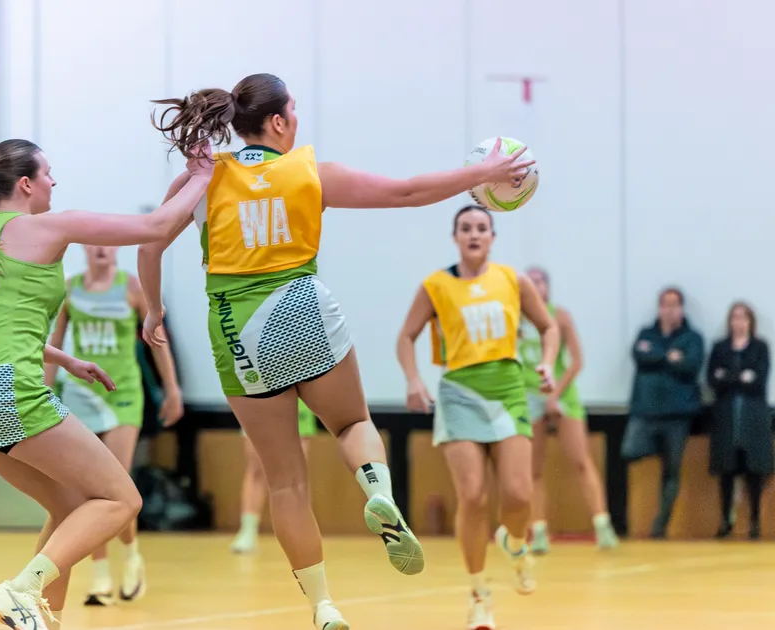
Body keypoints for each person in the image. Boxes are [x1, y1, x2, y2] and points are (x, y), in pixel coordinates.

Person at [136, 73, 533, 630]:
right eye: (293, 112)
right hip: (302, 311)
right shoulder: (308, 172)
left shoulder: (203, 178)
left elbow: (150, 246)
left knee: (285, 481)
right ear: (277, 122)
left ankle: (323, 605)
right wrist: (484, 173)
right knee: (351, 424)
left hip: (236, 331)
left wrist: (153, 310)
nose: (297, 121)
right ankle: (376, 487)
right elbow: (407, 191)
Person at [0, 138, 213, 629]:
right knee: (121, 499)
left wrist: (63, 358)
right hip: (6, 390)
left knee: (70, 509)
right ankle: (21, 590)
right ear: (26, 183)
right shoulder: (50, 227)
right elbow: (155, 226)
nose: (54, 182)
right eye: (48, 173)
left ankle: (46, 619)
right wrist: (203, 176)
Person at [396, 206, 558, 630]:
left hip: (507, 390)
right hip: (459, 394)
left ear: (492, 236)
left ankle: (515, 542)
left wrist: (548, 363)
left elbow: (549, 326)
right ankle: (478, 594)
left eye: (481, 228)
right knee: (472, 497)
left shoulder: (512, 280)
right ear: (455, 237)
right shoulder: (436, 285)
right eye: (465, 228)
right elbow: (406, 336)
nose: (473, 234)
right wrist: (413, 378)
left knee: (519, 496)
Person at [43, 244, 185, 606]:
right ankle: (101, 576)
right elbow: (54, 345)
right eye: (94, 244)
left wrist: (172, 389)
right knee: (92, 492)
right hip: (81, 394)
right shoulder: (70, 289)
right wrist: (42, 391)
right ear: (86, 250)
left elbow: (157, 340)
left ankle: (132, 554)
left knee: (114, 485)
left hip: (123, 394)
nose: (101, 249)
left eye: (108, 244)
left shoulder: (132, 286)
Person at [517, 266, 618, 553]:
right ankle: (538, 531)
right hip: (529, 395)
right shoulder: (514, 320)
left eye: (540, 282)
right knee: (533, 467)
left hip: (561, 393)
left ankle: (602, 524)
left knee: (580, 459)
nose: (536, 287)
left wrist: (555, 395)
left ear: (548, 288)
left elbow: (576, 361)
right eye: (530, 282)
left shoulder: (559, 316)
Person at [621, 287, 704, 538]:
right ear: (659, 308)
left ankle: (660, 526)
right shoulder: (646, 333)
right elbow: (639, 355)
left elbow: (690, 365)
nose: (669, 309)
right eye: (665, 304)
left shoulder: (692, 338)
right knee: (629, 452)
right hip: (645, 412)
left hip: (677, 416)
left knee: (672, 470)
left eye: (674, 304)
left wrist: (657, 356)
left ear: (681, 308)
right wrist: (670, 356)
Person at [706, 301, 772, 540]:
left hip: (753, 416)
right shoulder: (720, 348)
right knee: (727, 469)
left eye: (743, 317)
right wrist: (740, 376)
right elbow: (714, 380)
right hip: (726, 415)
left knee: (753, 469)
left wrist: (729, 376)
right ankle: (726, 520)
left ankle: (754, 521)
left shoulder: (760, 347)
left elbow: (758, 380)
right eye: (735, 317)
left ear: (750, 322)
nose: (739, 322)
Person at [231, 398, 317, 554]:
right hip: (255, 392)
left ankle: (300, 531)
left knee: (297, 472)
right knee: (257, 468)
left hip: (296, 394)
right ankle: (248, 531)